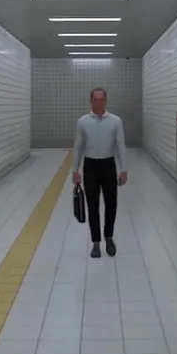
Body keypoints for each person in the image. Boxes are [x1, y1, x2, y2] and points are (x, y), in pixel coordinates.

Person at [71, 88, 128, 258]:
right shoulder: (82, 122)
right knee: (92, 205)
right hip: (90, 166)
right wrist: (75, 170)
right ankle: (95, 242)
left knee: (111, 204)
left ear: (106, 101)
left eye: (101, 99)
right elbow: (78, 146)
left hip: (108, 165)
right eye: (95, 100)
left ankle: (109, 237)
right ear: (91, 101)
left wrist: (123, 169)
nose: (98, 103)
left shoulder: (115, 121)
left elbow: (120, 146)